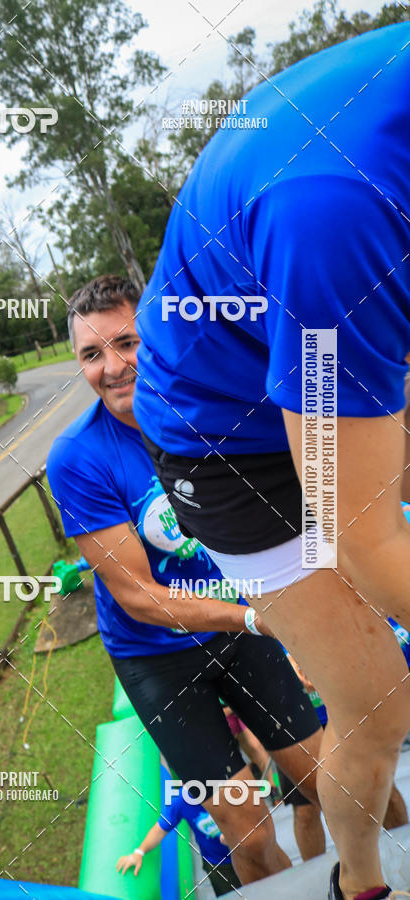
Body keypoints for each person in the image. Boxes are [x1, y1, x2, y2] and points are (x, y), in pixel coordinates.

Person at [131, 22, 410, 900]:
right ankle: (357, 880)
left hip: (309, 322)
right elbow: (362, 534)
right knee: (374, 696)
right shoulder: (336, 207)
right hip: (224, 443)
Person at [46, 275, 323, 887]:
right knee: (247, 833)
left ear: (156, 336)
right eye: (92, 354)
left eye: (127, 342)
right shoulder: (78, 457)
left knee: (330, 780)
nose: (114, 367)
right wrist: (255, 615)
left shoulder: (213, 404)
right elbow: (140, 598)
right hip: (157, 657)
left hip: (238, 620)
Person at [116, 786, 241, 896]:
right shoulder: (182, 800)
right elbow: (159, 830)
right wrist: (139, 852)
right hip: (218, 863)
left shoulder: (227, 789)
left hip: (244, 853)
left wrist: (235, 837)